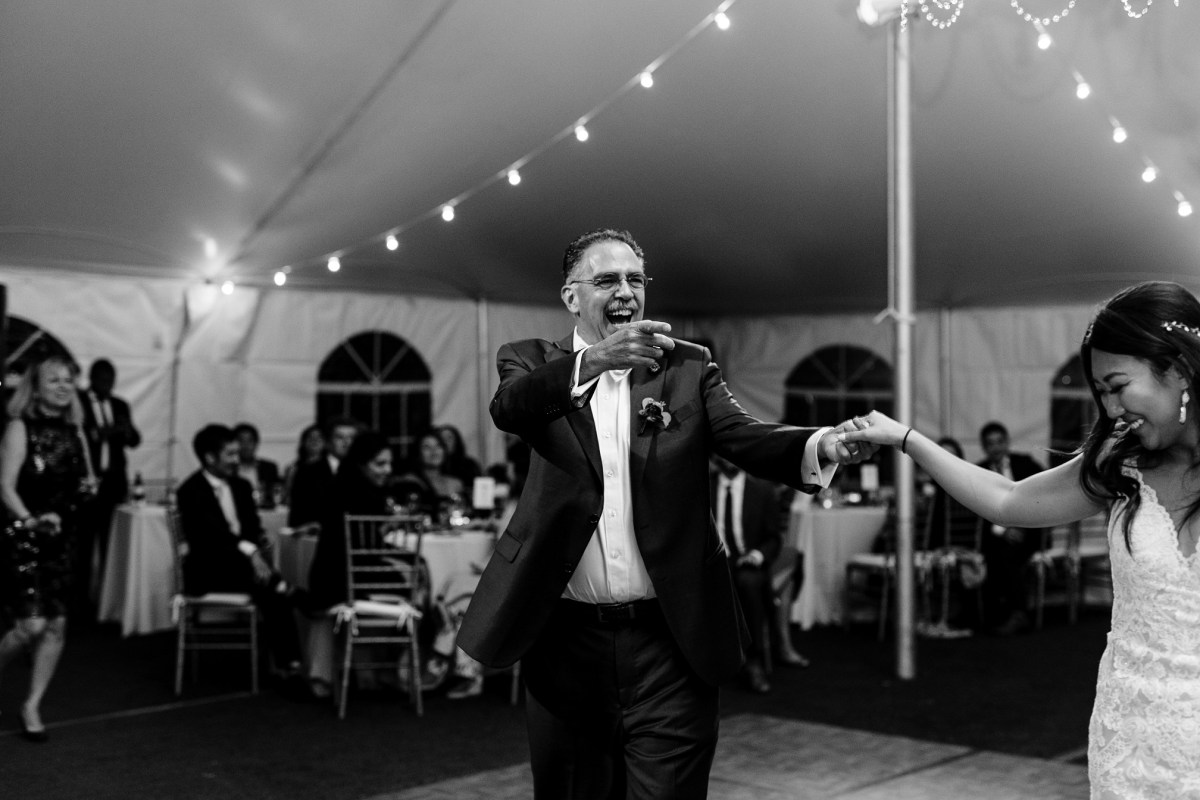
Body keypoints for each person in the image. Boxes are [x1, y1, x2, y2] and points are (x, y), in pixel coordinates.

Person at [456, 228, 876, 799]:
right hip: (565, 643)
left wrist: (822, 443)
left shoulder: (686, 366)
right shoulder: (529, 361)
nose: (625, 291)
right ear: (571, 296)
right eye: (607, 280)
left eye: (635, 279)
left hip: (671, 639)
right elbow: (511, 408)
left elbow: (743, 435)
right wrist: (593, 361)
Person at [840, 281, 1200, 799]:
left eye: (1118, 385)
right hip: (1134, 736)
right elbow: (1007, 500)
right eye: (1100, 392)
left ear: (1180, 369)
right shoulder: (1118, 463)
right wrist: (907, 439)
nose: (1110, 408)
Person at [0, 355, 96, 742]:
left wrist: (85, 491)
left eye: (68, 380)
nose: (63, 386)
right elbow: (4, 487)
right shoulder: (19, 427)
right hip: (25, 537)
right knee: (30, 626)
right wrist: (30, 519)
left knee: (56, 625)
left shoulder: (76, 431)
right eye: (53, 380)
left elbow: (86, 482)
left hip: (63, 538)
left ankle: (32, 705)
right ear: (35, 389)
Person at [175, 424, 305, 685]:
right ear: (210, 457)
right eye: (230, 454)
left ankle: (289, 663)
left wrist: (260, 545)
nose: (237, 459)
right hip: (208, 570)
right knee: (272, 588)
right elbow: (212, 537)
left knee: (269, 589)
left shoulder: (241, 486)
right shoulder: (190, 490)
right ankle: (290, 661)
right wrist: (251, 553)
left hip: (241, 570)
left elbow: (252, 528)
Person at [304, 431, 397, 698]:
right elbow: (367, 550)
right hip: (349, 578)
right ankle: (393, 669)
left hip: (327, 578)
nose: (388, 470)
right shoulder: (365, 495)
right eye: (380, 464)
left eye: (389, 463)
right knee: (420, 583)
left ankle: (360, 672)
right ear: (361, 462)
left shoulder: (339, 485)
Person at [710, 454, 788, 694]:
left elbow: (774, 538)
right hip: (713, 563)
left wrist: (757, 555)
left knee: (748, 583)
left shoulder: (762, 490)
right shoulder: (702, 486)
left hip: (748, 561)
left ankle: (753, 661)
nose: (729, 456)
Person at [77, 358, 141, 614]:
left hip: (114, 483)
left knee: (110, 543)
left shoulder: (119, 405)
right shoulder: (79, 402)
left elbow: (134, 440)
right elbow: (81, 436)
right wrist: (102, 433)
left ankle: (107, 602)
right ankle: (80, 603)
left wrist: (123, 431)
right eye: (103, 380)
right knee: (83, 543)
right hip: (88, 482)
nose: (107, 385)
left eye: (111, 380)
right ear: (92, 378)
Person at [975, 421, 1047, 635]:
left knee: (1008, 553)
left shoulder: (1025, 464)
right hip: (996, 534)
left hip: (1030, 531)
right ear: (984, 447)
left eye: (999, 442)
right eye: (990, 443)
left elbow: (1044, 493)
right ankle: (1002, 612)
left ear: (1007, 442)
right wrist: (1003, 530)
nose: (996, 447)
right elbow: (977, 510)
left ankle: (1016, 613)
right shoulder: (978, 471)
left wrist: (1023, 526)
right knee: (996, 552)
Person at [287, 416, 359, 528]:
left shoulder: (363, 470)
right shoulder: (308, 472)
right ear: (328, 441)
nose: (347, 442)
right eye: (340, 437)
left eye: (352, 438)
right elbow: (297, 513)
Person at [393, 430, 465, 516]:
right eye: (427, 447)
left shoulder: (455, 483)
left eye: (438, 446)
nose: (434, 451)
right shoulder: (411, 482)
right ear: (418, 452)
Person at [233, 422, 281, 509]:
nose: (245, 445)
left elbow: (275, 495)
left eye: (249, 441)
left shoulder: (269, 468)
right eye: (241, 441)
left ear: (256, 443)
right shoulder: (229, 469)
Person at [282, 424, 324, 503]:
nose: (314, 440)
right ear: (304, 442)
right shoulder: (293, 468)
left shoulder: (332, 467)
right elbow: (287, 495)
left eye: (319, 437)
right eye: (310, 437)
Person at [435, 424, 482, 489]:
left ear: (456, 441)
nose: (445, 442)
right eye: (442, 438)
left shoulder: (469, 465)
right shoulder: (434, 465)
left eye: (449, 437)